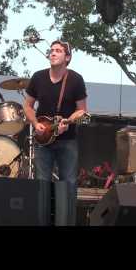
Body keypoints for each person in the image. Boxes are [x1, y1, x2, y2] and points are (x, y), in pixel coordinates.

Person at [23, 40, 87, 224]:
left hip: (67, 139)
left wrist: (69, 121)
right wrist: (35, 123)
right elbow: (27, 105)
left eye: (58, 51)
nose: (53, 53)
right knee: (42, 182)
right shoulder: (38, 77)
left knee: (68, 183)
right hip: (42, 139)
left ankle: (66, 221)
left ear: (67, 57)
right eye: (51, 50)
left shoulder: (75, 79)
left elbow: (82, 111)